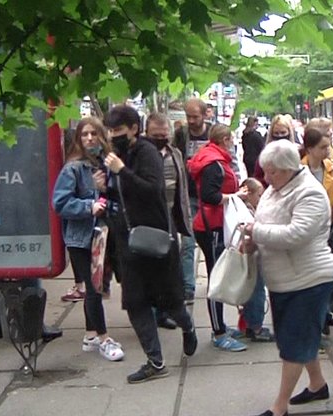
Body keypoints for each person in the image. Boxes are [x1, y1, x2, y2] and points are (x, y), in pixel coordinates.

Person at [102, 105, 197, 383]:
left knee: (170, 301)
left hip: (154, 237)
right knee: (135, 302)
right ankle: (155, 362)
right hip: (128, 240)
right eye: (110, 130)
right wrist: (104, 189)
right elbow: (124, 196)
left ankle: (188, 327)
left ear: (133, 129)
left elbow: (151, 190)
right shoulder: (118, 154)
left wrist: (121, 172)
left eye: (117, 130)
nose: (112, 135)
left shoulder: (147, 152)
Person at [244, 140, 333, 416]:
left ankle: (279, 407)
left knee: (294, 344)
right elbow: (268, 225)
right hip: (285, 278)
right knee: (299, 337)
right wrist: (252, 240)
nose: (267, 177)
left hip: (309, 279)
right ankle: (318, 384)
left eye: (272, 171)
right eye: (266, 171)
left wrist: (255, 231)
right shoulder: (276, 189)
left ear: (288, 168)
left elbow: (296, 235)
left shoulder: (310, 193)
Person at [51, 117, 125, 361]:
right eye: (85, 135)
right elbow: (60, 203)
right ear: (78, 139)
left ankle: (90, 335)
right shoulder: (73, 168)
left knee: (98, 287)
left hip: (102, 236)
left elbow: (115, 197)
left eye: (94, 133)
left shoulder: (106, 165)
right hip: (81, 238)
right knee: (93, 288)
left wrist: (104, 191)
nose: (90, 138)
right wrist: (88, 205)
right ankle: (103, 339)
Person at [187, 124, 247, 353]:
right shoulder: (215, 164)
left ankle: (220, 327)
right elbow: (210, 196)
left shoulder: (211, 158)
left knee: (218, 275)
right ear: (224, 139)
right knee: (217, 278)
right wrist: (235, 196)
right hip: (212, 225)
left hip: (211, 224)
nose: (232, 142)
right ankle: (218, 332)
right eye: (230, 138)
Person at [145, 113, 195, 328]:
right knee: (151, 270)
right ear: (147, 133)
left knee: (169, 269)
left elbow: (181, 188)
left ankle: (163, 312)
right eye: (156, 135)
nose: (161, 138)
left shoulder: (174, 153)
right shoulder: (141, 154)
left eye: (164, 134)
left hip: (170, 218)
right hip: (148, 219)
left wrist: (184, 218)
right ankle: (152, 313)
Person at [301, 126, 333, 336]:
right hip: (307, 231)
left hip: (329, 228)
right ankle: (315, 323)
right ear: (309, 148)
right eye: (323, 147)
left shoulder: (332, 168)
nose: (328, 150)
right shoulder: (299, 170)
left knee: (328, 276)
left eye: (328, 146)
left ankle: (323, 316)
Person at [173, 98, 213, 305]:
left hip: (209, 196)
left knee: (212, 244)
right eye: (188, 116)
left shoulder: (213, 133)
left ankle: (215, 283)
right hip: (189, 195)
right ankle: (188, 287)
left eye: (195, 116)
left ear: (205, 114)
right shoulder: (181, 135)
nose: (191, 120)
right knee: (188, 244)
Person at [238, 178, 274, 342]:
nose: (262, 199)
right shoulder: (246, 212)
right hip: (251, 254)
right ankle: (256, 327)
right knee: (257, 290)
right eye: (259, 195)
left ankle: (249, 324)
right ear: (249, 194)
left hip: (250, 254)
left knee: (252, 290)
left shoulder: (246, 209)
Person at [253, 116, 295, 185]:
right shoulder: (265, 155)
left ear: (289, 132)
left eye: (283, 132)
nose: (280, 136)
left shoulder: (296, 153)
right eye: (276, 133)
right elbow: (258, 178)